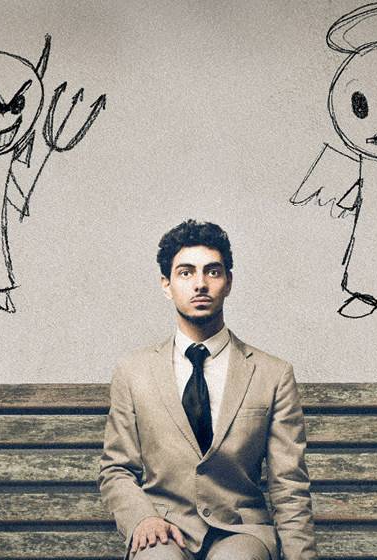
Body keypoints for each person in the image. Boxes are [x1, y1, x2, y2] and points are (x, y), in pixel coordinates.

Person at [99, 220, 317, 560]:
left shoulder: (273, 374)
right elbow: (117, 468)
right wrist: (141, 518)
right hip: (164, 527)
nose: (200, 284)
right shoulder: (133, 370)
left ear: (228, 283)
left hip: (241, 530)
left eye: (212, 272)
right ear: (166, 285)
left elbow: (288, 485)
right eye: (186, 273)